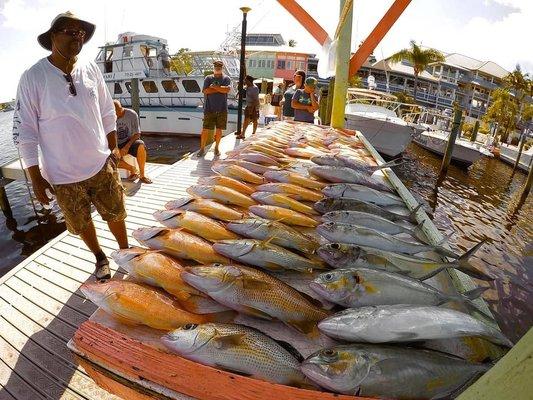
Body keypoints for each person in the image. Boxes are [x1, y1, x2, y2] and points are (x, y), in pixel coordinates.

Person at [12, 11, 128, 280]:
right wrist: (36, 178)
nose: (78, 37)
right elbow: (26, 131)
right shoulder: (33, 77)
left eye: (81, 33)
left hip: (101, 163)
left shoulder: (90, 68)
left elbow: (107, 110)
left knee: (116, 213)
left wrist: (114, 148)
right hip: (62, 176)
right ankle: (100, 258)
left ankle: (126, 252)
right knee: (81, 221)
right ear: (53, 36)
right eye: (70, 32)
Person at [113, 100, 152, 184]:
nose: (116, 115)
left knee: (141, 145)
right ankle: (132, 169)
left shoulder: (132, 114)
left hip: (128, 141)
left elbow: (137, 134)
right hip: (115, 143)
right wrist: (116, 148)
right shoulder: (110, 116)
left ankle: (142, 175)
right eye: (114, 113)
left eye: (117, 112)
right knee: (108, 156)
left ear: (121, 108)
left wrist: (126, 147)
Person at [199, 60, 231, 157]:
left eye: (219, 67)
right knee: (205, 129)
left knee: (219, 130)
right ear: (213, 67)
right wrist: (219, 88)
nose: (217, 68)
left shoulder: (226, 78)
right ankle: (202, 149)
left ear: (222, 68)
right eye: (216, 66)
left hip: (222, 109)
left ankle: (216, 148)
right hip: (209, 109)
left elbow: (227, 90)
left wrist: (214, 87)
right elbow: (205, 91)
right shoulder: (208, 78)